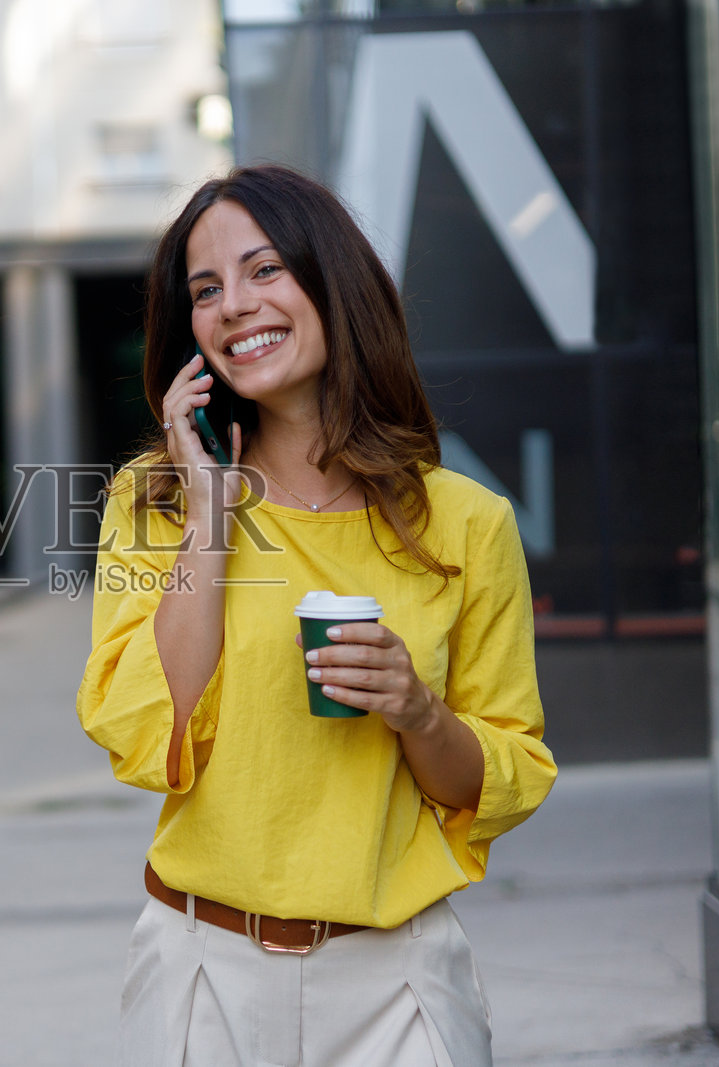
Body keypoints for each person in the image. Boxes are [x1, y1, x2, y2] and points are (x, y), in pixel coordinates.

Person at [75, 165, 557, 1066]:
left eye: (265, 270)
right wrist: (212, 515)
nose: (233, 306)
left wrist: (416, 709)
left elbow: (501, 777)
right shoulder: (156, 503)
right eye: (206, 289)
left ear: (332, 282)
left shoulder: (466, 522)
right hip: (198, 974)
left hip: (399, 984)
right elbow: (152, 731)